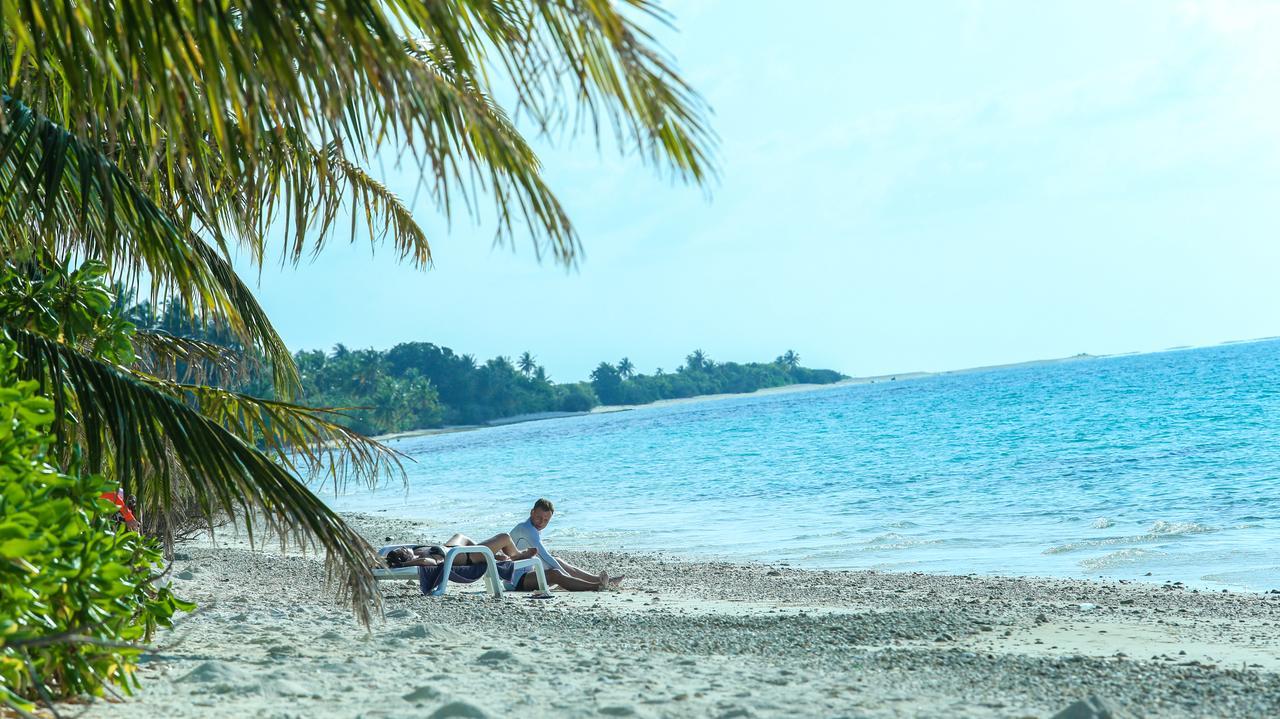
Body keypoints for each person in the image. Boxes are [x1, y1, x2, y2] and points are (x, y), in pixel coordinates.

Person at [509, 498, 622, 592]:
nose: (541, 523)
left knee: (558, 561)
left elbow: (544, 558)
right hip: (514, 580)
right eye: (539, 517)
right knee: (556, 574)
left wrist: (566, 574)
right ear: (532, 512)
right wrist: (568, 577)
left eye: (546, 520)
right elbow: (545, 558)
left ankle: (599, 580)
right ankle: (597, 586)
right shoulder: (527, 529)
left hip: (525, 572)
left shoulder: (531, 527)